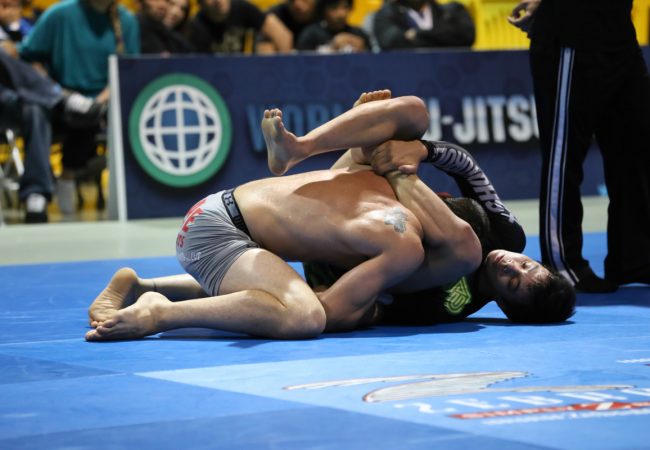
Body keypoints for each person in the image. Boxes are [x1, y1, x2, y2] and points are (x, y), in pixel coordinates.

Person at [86, 92, 574, 341]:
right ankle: (159, 313)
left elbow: (346, 306)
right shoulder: (410, 234)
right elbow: (463, 169)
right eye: (526, 264)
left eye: (513, 282)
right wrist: (417, 151)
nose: (510, 264)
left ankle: (147, 288)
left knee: (297, 300)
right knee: (303, 312)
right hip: (220, 231)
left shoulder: (391, 193)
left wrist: (388, 155)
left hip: (227, 225)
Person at [508, 0, 650, 292]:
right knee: (564, 156)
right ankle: (563, 262)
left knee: (636, 150)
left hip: (620, 34)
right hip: (572, 37)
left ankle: (633, 259)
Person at [18, 0, 140, 215]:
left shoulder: (127, 21)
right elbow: (29, 58)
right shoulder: (58, 15)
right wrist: (58, 92)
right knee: (34, 111)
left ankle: (69, 176)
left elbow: (129, 70)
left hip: (104, 103)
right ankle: (36, 195)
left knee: (95, 115)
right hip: (58, 99)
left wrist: (100, 100)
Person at [0, 47, 106, 223]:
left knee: (36, 108)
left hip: (18, 97)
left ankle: (36, 195)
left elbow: (13, 50)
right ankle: (58, 96)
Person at [188, 0, 292, 54]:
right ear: (200, 4)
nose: (218, 0)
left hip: (240, 69)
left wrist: (278, 68)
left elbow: (283, 35)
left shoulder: (242, 8)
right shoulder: (196, 26)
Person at [373, 0, 475, 51]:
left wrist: (416, 34)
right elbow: (390, 41)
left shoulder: (453, 10)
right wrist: (442, 38)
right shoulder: (386, 15)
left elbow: (466, 36)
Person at [296, 0, 370, 53]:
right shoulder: (311, 34)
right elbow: (304, 62)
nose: (341, 14)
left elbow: (371, 62)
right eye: (334, 7)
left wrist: (363, 49)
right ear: (323, 9)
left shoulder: (358, 33)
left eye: (345, 7)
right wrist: (332, 47)